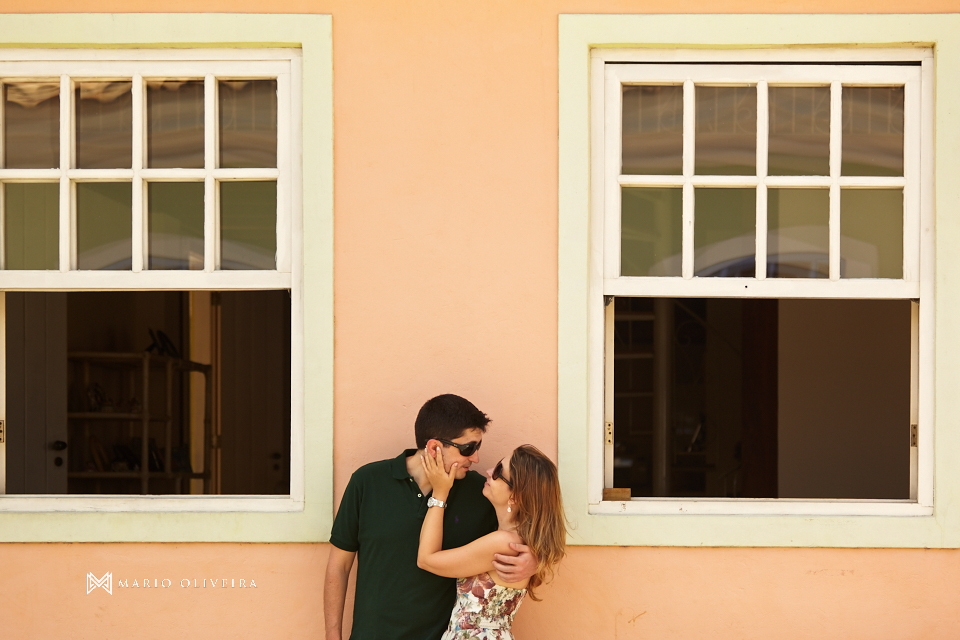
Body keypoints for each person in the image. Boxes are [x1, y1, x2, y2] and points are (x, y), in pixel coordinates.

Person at [324, 394, 539, 640]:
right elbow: (339, 566)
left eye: (477, 447)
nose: (476, 458)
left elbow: (527, 528)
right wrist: (333, 635)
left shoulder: (482, 493)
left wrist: (534, 560)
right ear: (434, 447)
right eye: (468, 448)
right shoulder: (368, 481)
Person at [416, 443, 566, 640]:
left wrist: (440, 492)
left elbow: (426, 559)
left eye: (498, 472)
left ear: (515, 496)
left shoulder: (504, 543)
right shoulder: (518, 541)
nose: (488, 471)